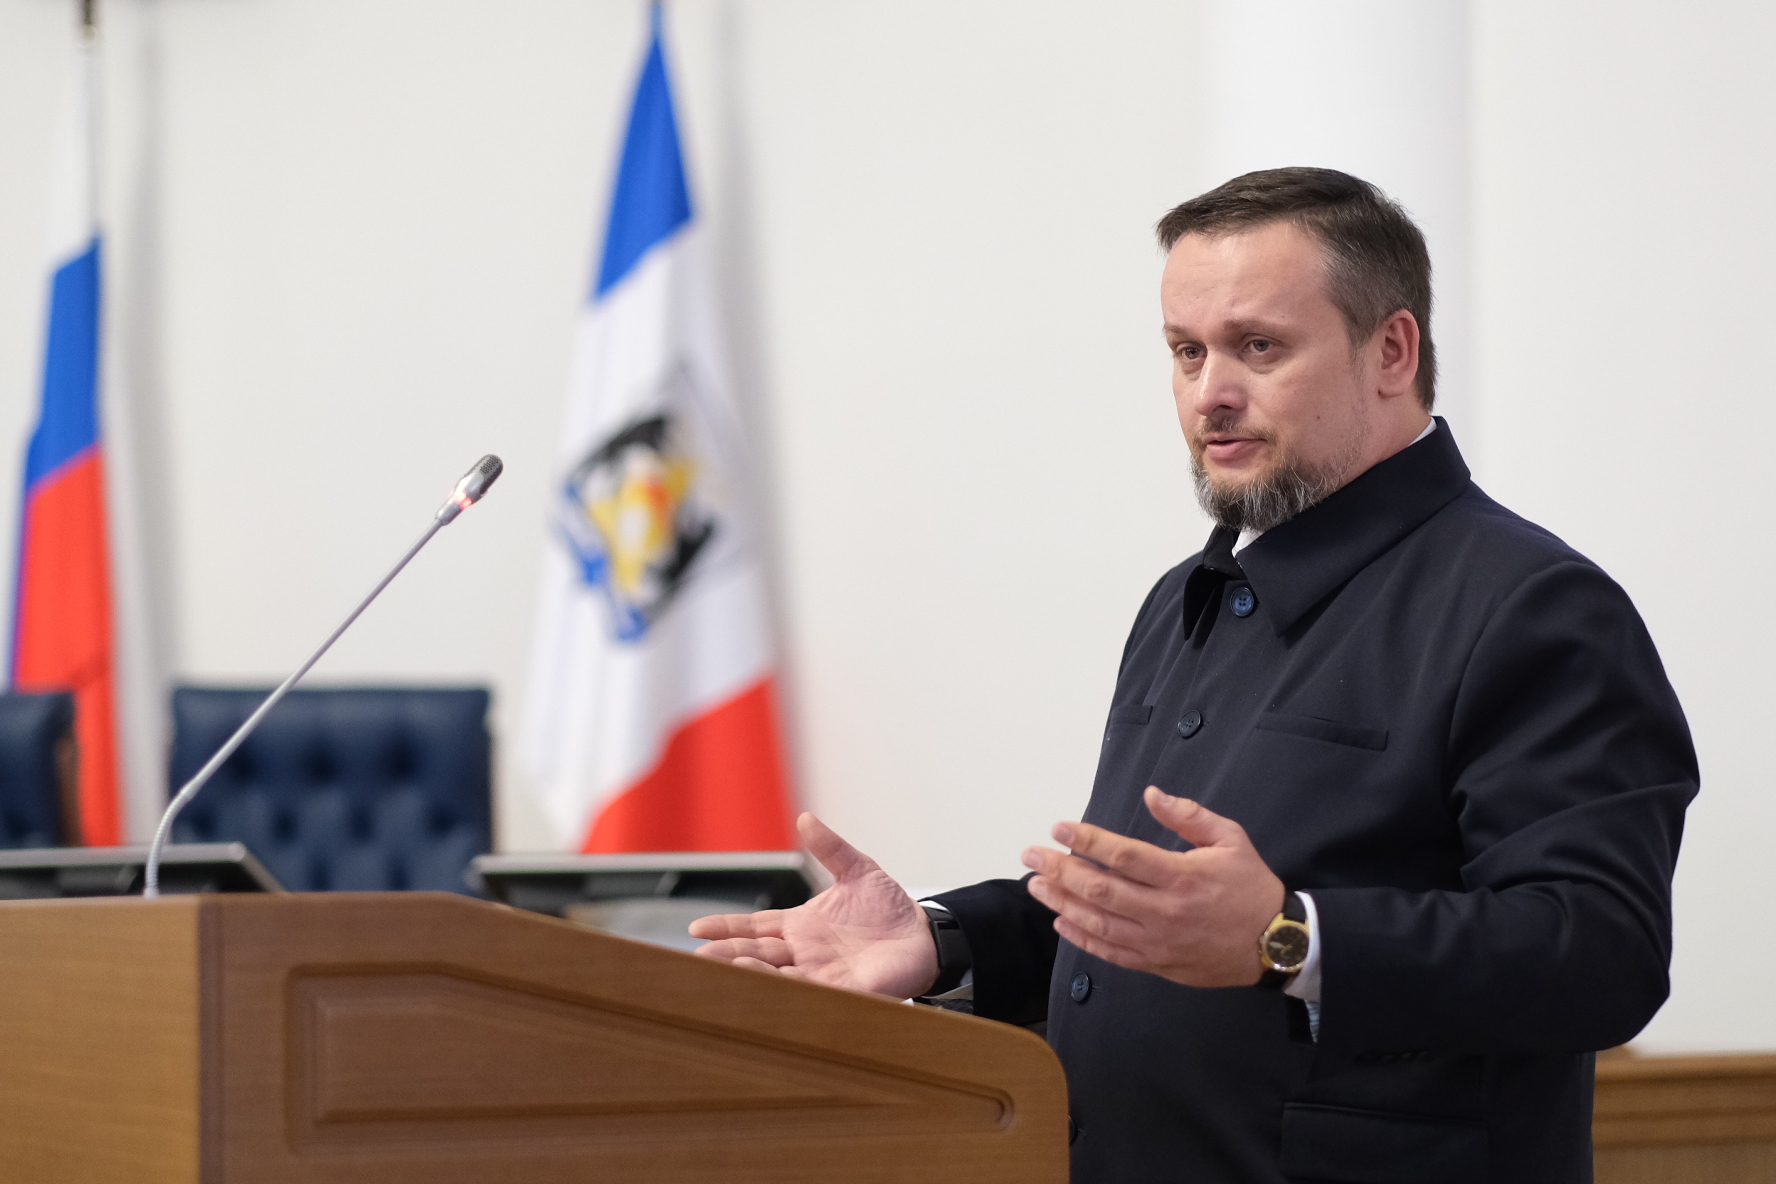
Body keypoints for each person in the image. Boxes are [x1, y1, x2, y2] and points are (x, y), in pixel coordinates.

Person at [690, 167, 1696, 1184]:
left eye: (1258, 346)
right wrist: (946, 941)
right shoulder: (1190, 597)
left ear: (1392, 351)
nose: (1210, 392)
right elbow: (1161, 916)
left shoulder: (1531, 605)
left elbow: (1602, 953)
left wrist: (1288, 937)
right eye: (1186, 350)